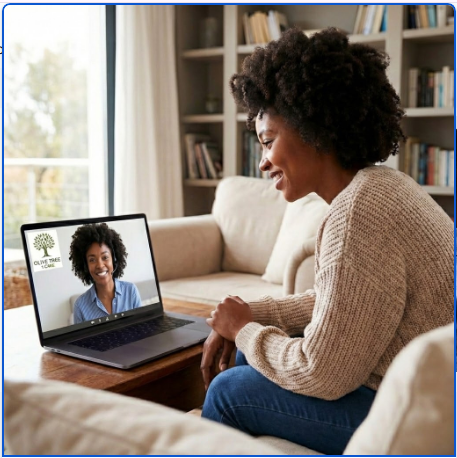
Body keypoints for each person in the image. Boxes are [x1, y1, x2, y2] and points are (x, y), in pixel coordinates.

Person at [200, 28, 454, 455]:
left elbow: (322, 373)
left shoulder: (358, 212)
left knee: (229, 390)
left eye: (268, 141)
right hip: (431, 391)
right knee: (247, 359)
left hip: (416, 411)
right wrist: (249, 315)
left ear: (312, 128)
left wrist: (243, 329)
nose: (262, 162)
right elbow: (341, 302)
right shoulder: (382, 185)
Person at [69, 223, 142, 324]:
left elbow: (141, 327)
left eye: (105, 257)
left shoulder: (131, 291)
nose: (99, 265)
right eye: (92, 260)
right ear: (85, 266)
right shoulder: (80, 306)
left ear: (114, 259)